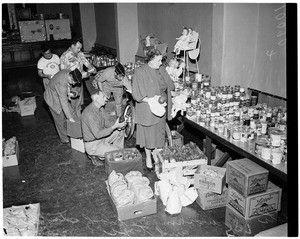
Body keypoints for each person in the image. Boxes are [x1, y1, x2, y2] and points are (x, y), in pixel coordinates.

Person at [132, 49, 175, 171]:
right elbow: (137, 94)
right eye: (158, 60)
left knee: (158, 134)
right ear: (150, 60)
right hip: (147, 108)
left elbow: (170, 85)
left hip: (161, 107)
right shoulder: (140, 72)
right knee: (149, 135)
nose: (161, 63)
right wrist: (150, 100)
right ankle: (148, 157)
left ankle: (156, 154)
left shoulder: (161, 69)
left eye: (161, 60)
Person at [81, 81, 127, 166]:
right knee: (119, 153)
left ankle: (115, 154)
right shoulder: (89, 114)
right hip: (93, 144)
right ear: (96, 99)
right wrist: (114, 127)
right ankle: (95, 154)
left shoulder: (100, 108)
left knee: (120, 131)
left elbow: (108, 123)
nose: (106, 98)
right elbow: (97, 134)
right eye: (103, 96)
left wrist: (119, 124)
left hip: (101, 139)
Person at [44, 68, 83, 143]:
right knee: (60, 119)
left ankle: (74, 133)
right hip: (52, 99)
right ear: (70, 77)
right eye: (74, 82)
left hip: (59, 93)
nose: (74, 84)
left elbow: (67, 86)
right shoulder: (61, 84)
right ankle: (64, 138)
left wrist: (68, 92)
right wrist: (70, 118)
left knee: (72, 113)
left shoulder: (68, 72)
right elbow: (64, 103)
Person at [60, 38, 96, 118]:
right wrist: (87, 73)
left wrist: (91, 68)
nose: (79, 50)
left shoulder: (79, 53)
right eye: (78, 48)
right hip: (71, 83)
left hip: (79, 81)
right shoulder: (66, 56)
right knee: (73, 103)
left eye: (80, 48)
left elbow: (85, 62)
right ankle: (74, 120)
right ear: (72, 46)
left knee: (79, 101)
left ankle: (79, 117)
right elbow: (71, 74)